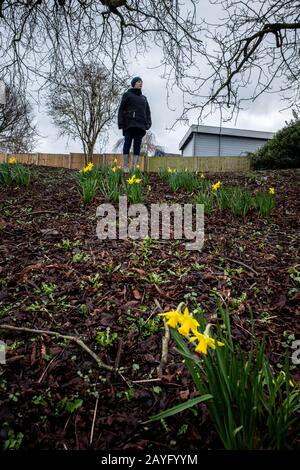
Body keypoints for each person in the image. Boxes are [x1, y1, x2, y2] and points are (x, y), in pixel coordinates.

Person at [117, 76, 152, 172]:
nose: (141, 83)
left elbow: (148, 112)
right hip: (129, 124)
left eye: (141, 82)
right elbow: (121, 109)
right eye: (138, 82)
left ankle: (134, 167)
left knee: (137, 145)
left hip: (140, 126)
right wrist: (121, 123)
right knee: (127, 143)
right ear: (134, 83)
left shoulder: (144, 98)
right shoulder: (127, 95)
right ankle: (125, 166)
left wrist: (148, 123)